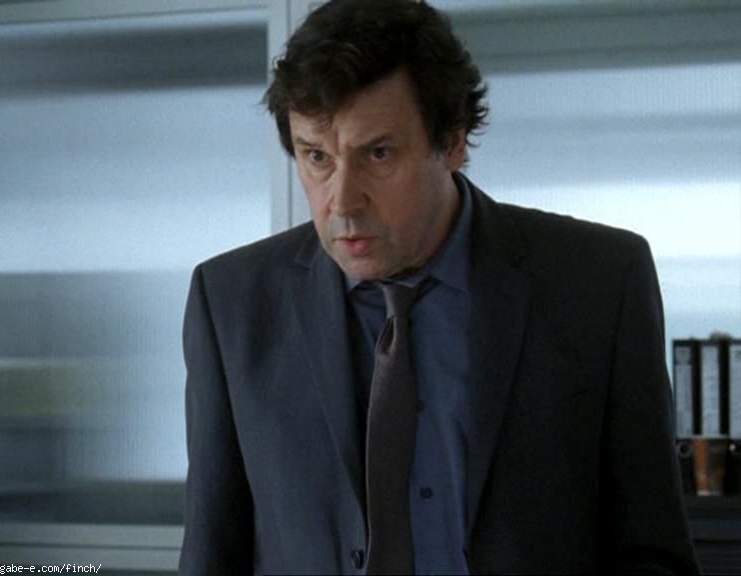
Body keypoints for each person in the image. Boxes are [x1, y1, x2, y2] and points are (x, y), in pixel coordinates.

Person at [179, 0, 699, 574]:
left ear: (453, 141)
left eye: (378, 153)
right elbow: (211, 554)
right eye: (317, 156)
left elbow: (653, 552)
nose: (342, 201)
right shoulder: (230, 304)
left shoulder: (599, 282)